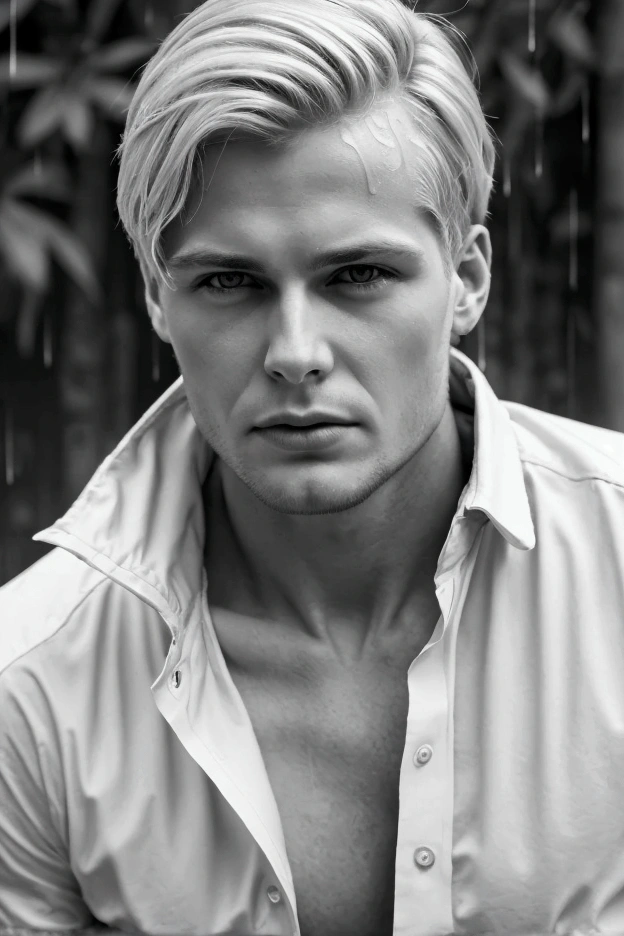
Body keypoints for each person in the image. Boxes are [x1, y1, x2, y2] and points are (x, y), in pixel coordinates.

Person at [2, 0, 624, 934]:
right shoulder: (33, 681)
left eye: (357, 276)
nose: (296, 352)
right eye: (230, 282)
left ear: (467, 279)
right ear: (158, 303)